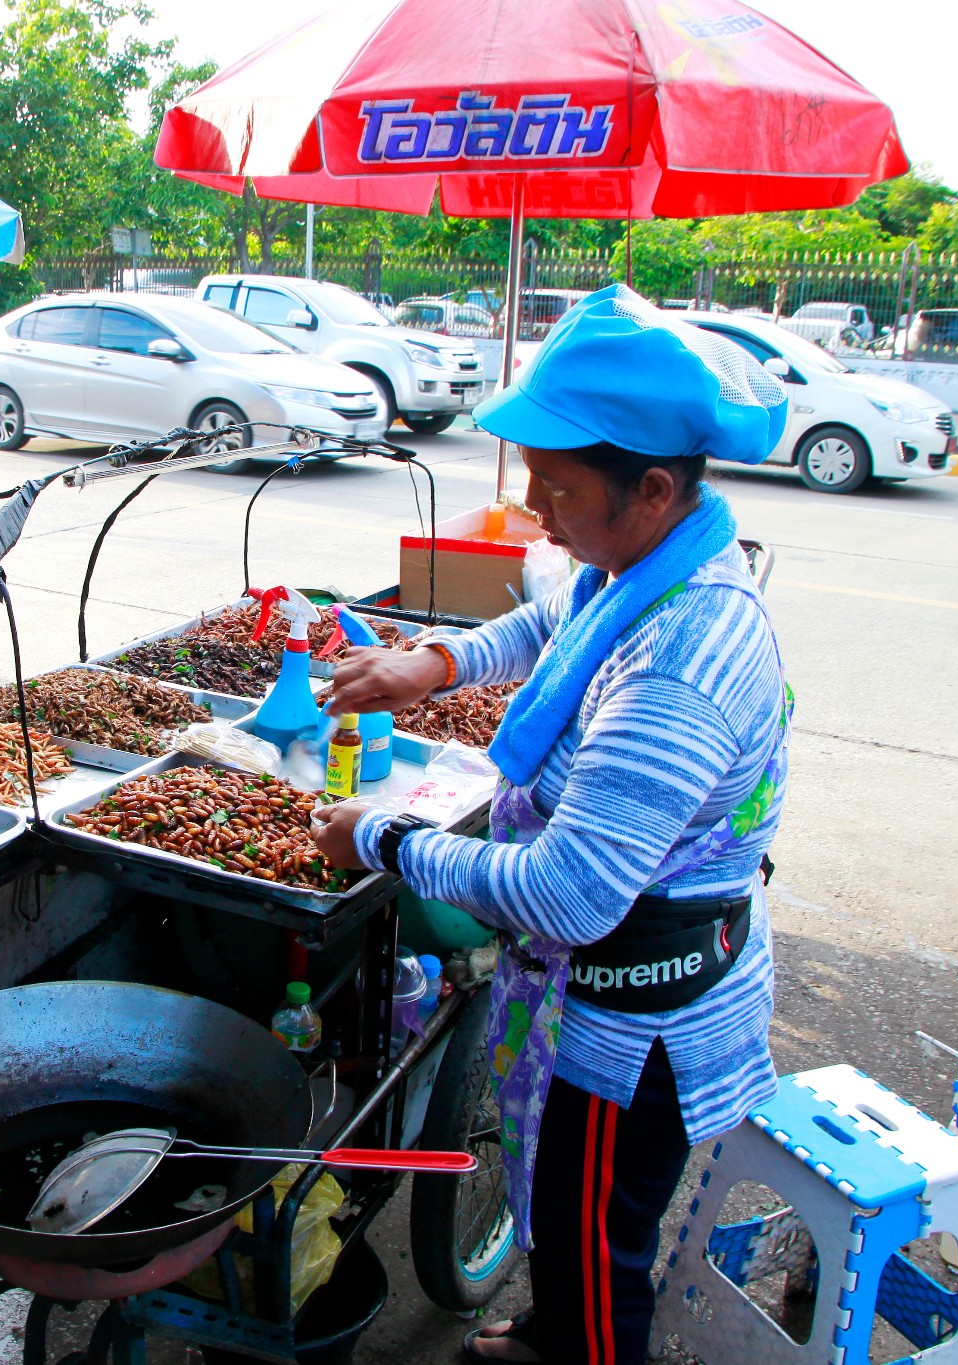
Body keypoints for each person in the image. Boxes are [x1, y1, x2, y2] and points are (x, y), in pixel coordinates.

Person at [310, 287, 791, 1365]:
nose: (533, 507)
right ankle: (543, 1329)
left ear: (653, 488)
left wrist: (379, 837)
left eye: (557, 487)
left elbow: (570, 893)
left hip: (636, 1008)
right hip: (590, 980)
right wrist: (428, 664)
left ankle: (575, 1348)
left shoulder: (684, 659)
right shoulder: (632, 569)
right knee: (565, 1222)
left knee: (598, 1238)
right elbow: (553, 616)